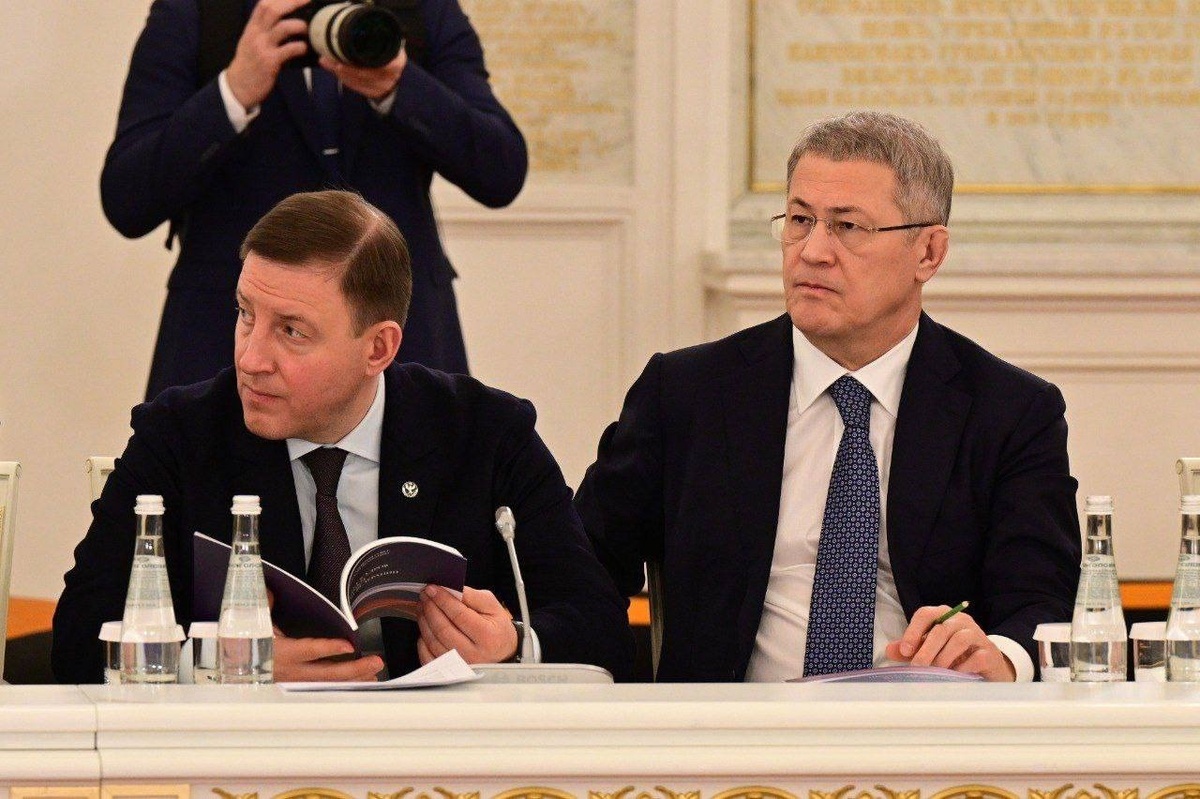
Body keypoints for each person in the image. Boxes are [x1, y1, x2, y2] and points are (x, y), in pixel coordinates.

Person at [575, 111, 1081, 683]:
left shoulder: (1011, 412)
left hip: (927, 722)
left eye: (847, 226)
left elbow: (1042, 598)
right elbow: (581, 569)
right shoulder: (687, 394)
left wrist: (1000, 657)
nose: (812, 251)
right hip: (731, 726)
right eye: (800, 220)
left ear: (929, 253)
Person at [53, 190, 632, 684]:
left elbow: (602, 627)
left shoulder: (485, 434)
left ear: (378, 348)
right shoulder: (180, 434)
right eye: (246, 314)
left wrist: (512, 644)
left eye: (292, 331)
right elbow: (77, 636)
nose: (250, 358)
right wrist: (218, 663)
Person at [101, 0, 528, 401]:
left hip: (399, 346)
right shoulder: (196, 11)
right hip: (226, 348)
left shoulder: (418, 10)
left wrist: (400, 87)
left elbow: (502, 171)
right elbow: (127, 198)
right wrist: (232, 93)